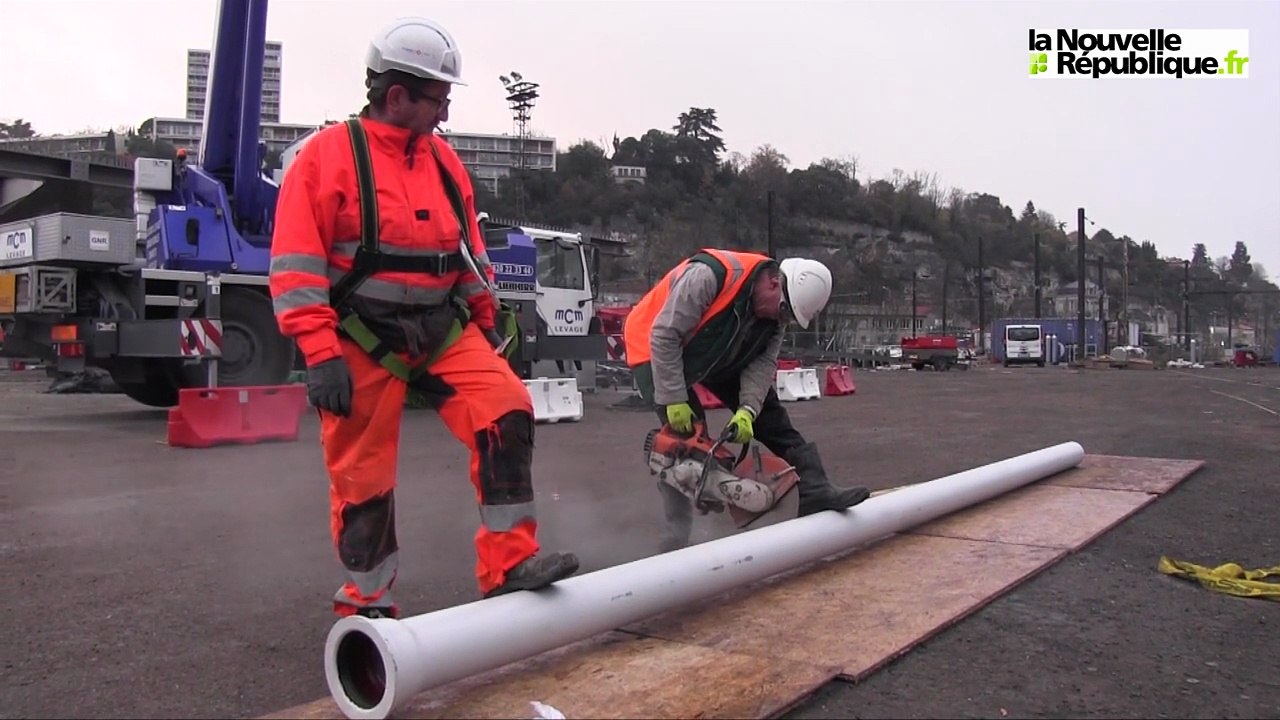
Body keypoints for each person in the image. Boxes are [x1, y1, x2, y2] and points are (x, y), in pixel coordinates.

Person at [268, 16, 578, 619]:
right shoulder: (326, 158)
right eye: (438, 99)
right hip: (359, 336)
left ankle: (508, 565)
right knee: (363, 474)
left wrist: (486, 324)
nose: (444, 113)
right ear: (397, 96)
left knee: (506, 409)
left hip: (442, 329)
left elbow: (467, 254)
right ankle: (366, 602)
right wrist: (320, 352)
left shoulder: (443, 162)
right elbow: (296, 266)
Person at [623, 248, 870, 551]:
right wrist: (674, 398)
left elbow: (762, 365)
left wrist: (748, 411)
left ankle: (815, 489)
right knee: (685, 442)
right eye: (783, 311)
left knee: (772, 417)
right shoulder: (709, 276)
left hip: (715, 348)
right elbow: (664, 335)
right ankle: (675, 537)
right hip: (655, 345)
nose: (783, 320)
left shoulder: (777, 312)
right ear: (773, 284)